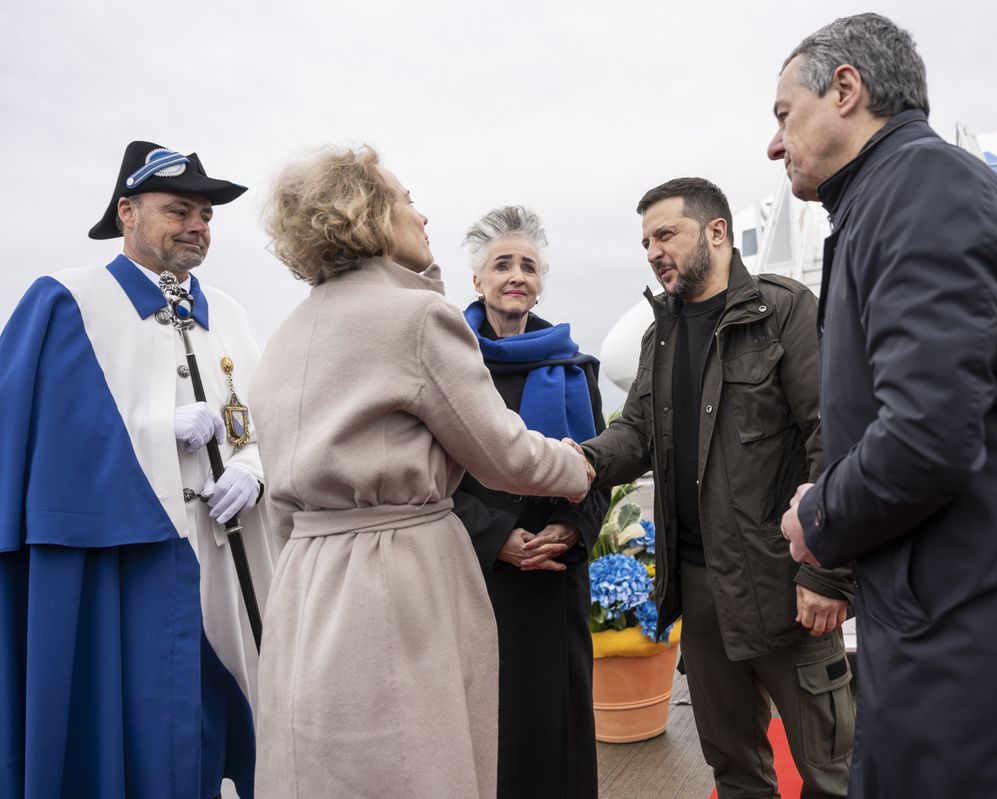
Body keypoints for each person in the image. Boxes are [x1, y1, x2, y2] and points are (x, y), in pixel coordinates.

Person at [768, 14, 997, 799]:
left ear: (846, 89)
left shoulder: (919, 188)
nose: (774, 142)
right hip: (968, 626)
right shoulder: (887, 198)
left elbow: (928, 435)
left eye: (782, 114)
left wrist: (817, 515)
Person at [249, 146, 592, 799]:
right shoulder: (416, 317)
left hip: (306, 580)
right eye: (407, 199)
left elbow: (277, 495)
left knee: (325, 768)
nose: (422, 213)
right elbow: (504, 452)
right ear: (373, 213)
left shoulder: (285, 336)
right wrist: (577, 468)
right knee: (413, 761)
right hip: (398, 573)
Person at [0, 140, 275, 798]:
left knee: (222, 731)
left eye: (206, 216)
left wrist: (254, 467)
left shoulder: (231, 314)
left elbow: (268, 416)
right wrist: (154, 433)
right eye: (178, 210)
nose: (196, 227)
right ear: (127, 211)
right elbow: (33, 437)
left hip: (221, 564)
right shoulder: (70, 299)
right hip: (117, 566)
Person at [581, 177, 855, 798]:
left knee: (831, 775)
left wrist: (828, 575)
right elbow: (636, 435)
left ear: (717, 232)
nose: (653, 251)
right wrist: (579, 462)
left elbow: (832, 440)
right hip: (699, 592)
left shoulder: (784, 311)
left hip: (786, 586)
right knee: (734, 774)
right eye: (646, 240)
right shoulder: (662, 335)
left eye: (666, 234)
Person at [451, 205, 607, 799]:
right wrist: (496, 538)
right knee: (486, 728)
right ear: (478, 281)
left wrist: (570, 526)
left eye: (529, 267)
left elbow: (598, 468)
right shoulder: (450, 363)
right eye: (502, 265)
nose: (517, 276)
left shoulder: (574, 369)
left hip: (554, 577)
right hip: (479, 574)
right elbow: (432, 477)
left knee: (558, 733)